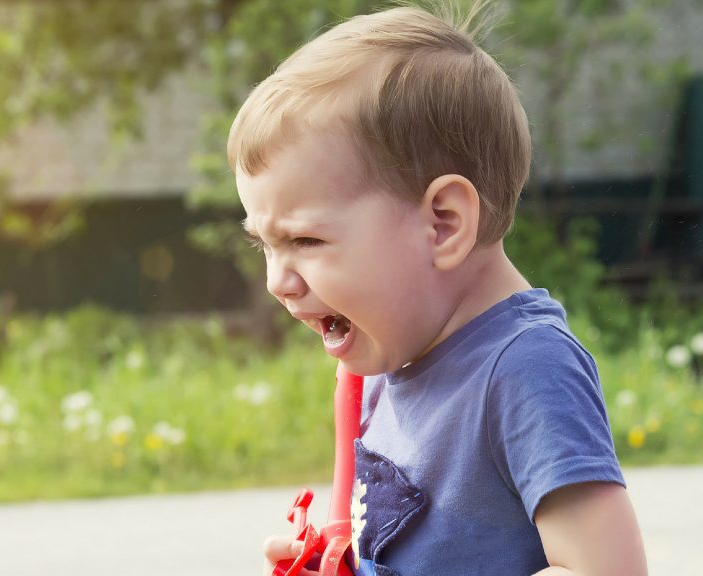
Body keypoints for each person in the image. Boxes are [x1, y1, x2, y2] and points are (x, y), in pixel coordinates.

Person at [227, 2, 647, 575]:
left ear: (443, 223)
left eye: (305, 240)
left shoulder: (524, 368)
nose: (277, 281)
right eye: (264, 245)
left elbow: (608, 570)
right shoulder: (393, 358)